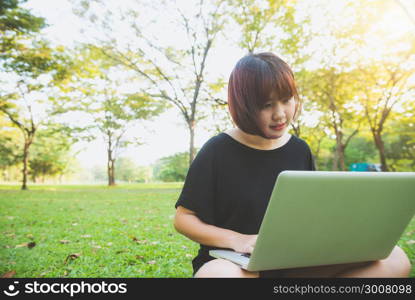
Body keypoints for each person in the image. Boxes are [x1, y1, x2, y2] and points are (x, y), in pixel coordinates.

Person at [173, 52, 411, 278]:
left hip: (294, 265)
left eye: (287, 100)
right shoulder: (217, 150)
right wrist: (239, 240)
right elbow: (184, 219)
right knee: (218, 278)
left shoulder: (300, 149)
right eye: (266, 105)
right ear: (244, 105)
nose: (280, 115)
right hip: (236, 263)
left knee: (395, 260)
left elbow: (312, 214)